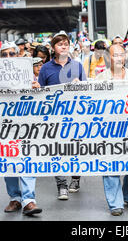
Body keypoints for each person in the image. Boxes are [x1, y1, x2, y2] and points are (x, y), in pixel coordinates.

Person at [0, 42, 42, 216]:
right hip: (3, 125)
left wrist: (38, 90)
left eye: (11, 54)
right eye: (4, 55)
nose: (8, 57)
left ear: (17, 55)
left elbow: (41, 101)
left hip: (25, 124)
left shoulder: (28, 74)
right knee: (7, 161)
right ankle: (15, 198)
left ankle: (29, 200)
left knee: (27, 159)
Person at [38, 31, 87, 199]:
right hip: (53, 117)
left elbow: (86, 91)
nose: (64, 46)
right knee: (56, 151)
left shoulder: (78, 66)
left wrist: (79, 85)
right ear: (53, 48)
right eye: (60, 44)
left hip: (75, 116)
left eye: (66, 43)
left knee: (76, 149)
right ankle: (61, 185)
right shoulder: (45, 68)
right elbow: (40, 92)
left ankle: (75, 178)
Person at [95, 44, 128, 216]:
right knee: (110, 164)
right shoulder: (101, 78)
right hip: (109, 128)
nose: (119, 58)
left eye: (122, 54)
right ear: (108, 57)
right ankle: (115, 203)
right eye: (115, 55)